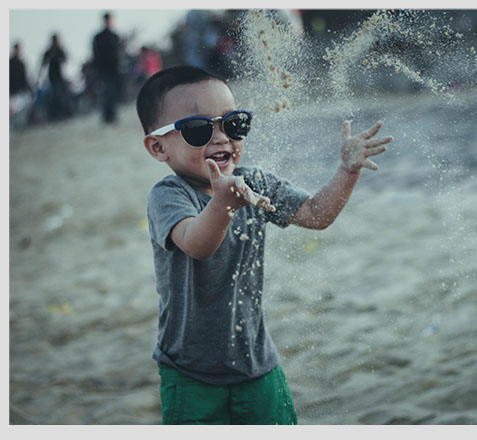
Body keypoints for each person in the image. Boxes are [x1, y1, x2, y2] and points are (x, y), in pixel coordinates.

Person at [136, 65, 393, 424]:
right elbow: (197, 244)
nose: (222, 138)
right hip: (190, 372)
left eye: (233, 124)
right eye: (199, 129)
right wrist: (223, 203)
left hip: (257, 364)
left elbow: (316, 214)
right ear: (158, 147)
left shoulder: (253, 182)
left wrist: (347, 171)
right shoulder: (169, 196)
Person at [92, 12, 121, 124]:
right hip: (103, 70)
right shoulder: (99, 37)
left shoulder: (115, 36)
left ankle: (113, 115)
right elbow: (95, 54)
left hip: (114, 70)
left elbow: (118, 53)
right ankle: (107, 116)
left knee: (113, 93)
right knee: (106, 93)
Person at [40, 34, 71, 120]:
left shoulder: (61, 51)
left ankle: (63, 114)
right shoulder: (49, 52)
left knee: (61, 97)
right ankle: (56, 115)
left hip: (61, 78)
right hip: (52, 79)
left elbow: (67, 63)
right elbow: (43, 65)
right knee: (54, 97)